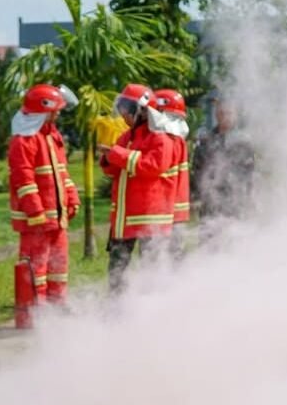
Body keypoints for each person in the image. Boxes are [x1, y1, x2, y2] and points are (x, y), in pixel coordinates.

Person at [98, 84, 177, 294]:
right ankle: (116, 310)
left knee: (149, 270)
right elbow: (116, 169)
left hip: (149, 219)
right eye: (122, 106)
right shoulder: (128, 137)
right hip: (124, 219)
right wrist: (107, 159)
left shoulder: (160, 137)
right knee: (117, 269)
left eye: (127, 107)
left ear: (143, 110)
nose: (123, 113)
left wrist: (116, 155)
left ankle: (149, 313)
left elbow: (152, 166)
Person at [8, 84, 80, 307]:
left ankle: (57, 306)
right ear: (43, 111)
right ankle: (35, 310)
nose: (58, 114)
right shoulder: (24, 141)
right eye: (54, 110)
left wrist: (72, 198)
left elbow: (62, 173)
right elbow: (24, 180)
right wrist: (36, 211)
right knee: (35, 266)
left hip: (57, 219)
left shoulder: (52, 136)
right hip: (36, 221)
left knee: (58, 265)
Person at [191, 92, 256, 229]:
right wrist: (197, 195)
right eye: (221, 112)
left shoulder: (243, 143)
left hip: (234, 202)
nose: (224, 116)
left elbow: (248, 173)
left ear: (235, 115)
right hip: (210, 202)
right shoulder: (206, 141)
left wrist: (245, 199)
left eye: (228, 112)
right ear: (216, 114)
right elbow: (197, 169)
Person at [153, 88, 191, 259]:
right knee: (172, 258)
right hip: (175, 211)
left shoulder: (168, 141)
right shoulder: (178, 139)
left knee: (161, 258)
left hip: (167, 211)